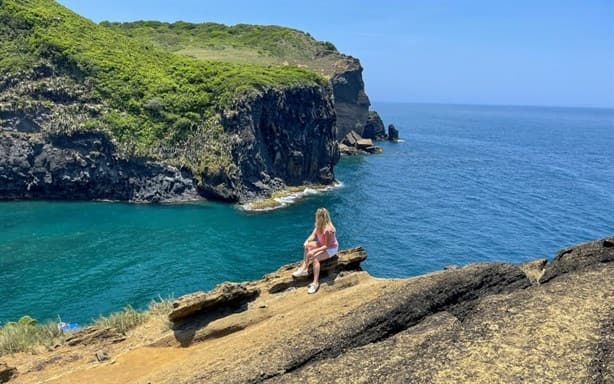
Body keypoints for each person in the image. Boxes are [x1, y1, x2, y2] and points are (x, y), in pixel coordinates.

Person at [292, 207, 339, 294]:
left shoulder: (328, 230)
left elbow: (327, 246)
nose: (316, 217)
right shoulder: (318, 224)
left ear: (321, 217)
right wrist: (307, 241)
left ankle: (315, 283)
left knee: (315, 258)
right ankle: (304, 269)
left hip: (331, 248)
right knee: (307, 246)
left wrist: (314, 251)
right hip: (322, 244)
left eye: (317, 216)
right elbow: (313, 235)